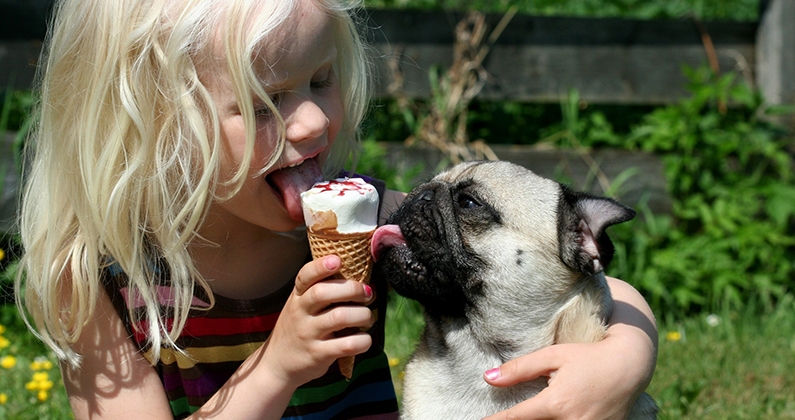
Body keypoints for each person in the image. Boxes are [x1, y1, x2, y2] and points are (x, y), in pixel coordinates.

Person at [15, 0, 658, 418]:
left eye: (321, 80)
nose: (315, 119)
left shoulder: (356, 217)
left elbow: (573, 277)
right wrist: (280, 364)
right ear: (153, 124)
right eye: (266, 103)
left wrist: (624, 357)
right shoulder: (93, 279)